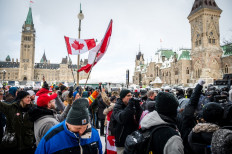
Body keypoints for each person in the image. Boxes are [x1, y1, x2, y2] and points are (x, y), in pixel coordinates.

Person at [35, 98, 102, 154]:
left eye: (85, 127)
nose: (82, 132)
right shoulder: (50, 138)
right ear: (67, 123)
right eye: (78, 128)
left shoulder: (94, 133)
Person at [112, 89, 142, 154]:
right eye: (128, 96)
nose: (130, 97)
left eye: (131, 95)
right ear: (123, 97)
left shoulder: (131, 106)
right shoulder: (117, 107)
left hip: (132, 140)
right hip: (122, 141)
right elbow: (122, 119)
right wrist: (130, 106)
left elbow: (139, 119)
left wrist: (138, 108)